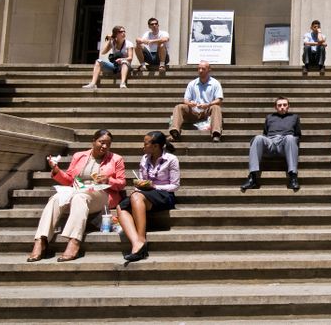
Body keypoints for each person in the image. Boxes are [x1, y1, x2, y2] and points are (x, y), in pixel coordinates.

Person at [27, 129, 126, 262]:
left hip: (102, 195)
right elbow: (69, 180)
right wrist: (56, 170)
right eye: (101, 142)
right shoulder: (79, 156)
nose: (104, 146)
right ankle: (41, 241)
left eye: (108, 144)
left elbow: (122, 183)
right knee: (56, 198)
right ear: (93, 141)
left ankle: (74, 241)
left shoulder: (116, 159)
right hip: (77, 192)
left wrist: (108, 180)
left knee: (80, 196)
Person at [117, 131, 180, 262]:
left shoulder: (171, 159)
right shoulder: (144, 158)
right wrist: (140, 184)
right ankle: (137, 243)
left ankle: (141, 238)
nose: (143, 146)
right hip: (145, 194)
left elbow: (175, 186)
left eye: (145, 143)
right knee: (120, 207)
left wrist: (154, 186)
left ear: (156, 146)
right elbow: (142, 180)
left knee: (135, 197)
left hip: (164, 195)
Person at [240, 96, 301, 192]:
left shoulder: (294, 117)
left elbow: (298, 135)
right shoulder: (269, 117)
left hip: (285, 143)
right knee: (258, 138)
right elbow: (265, 132)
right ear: (275, 107)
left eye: (284, 105)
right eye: (279, 105)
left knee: (291, 138)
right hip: (270, 142)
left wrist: (291, 142)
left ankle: (293, 177)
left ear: (288, 106)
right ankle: (252, 177)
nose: (282, 107)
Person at [169, 60, 223, 143]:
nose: (200, 71)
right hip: (193, 111)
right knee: (179, 107)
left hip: (207, 111)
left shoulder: (215, 83)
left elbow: (219, 100)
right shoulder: (192, 83)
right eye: (199, 69)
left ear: (209, 70)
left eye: (203, 69)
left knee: (216, 107)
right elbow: (186, 100)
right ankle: (175, 132)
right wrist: (190, 103)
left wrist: (208, 104)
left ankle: (216, 134)